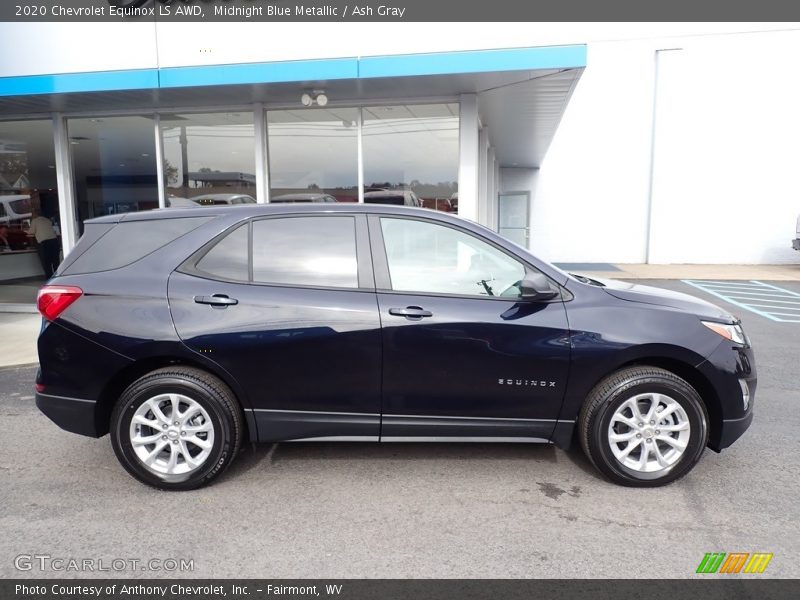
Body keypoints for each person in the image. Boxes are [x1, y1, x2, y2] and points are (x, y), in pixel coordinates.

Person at [27, 208, 60, 278]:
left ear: (35, 214)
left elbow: (31, 232)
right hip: (54, 241)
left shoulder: (35, 221)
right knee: (55, 261)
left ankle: (49, 278)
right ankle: (57, 276)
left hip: (45, 243)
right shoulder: (48, 220)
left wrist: (26, 232)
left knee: (46, 262)